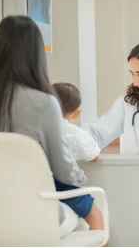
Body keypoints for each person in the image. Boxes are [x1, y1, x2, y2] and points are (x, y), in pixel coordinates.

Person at [0, 15, 87, 223]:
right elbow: (63, 170)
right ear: (36, 55)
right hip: (33, 214)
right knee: (94, 213)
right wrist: (83, 180)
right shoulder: (44, 102)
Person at [52, 82, 105, 233]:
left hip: (40, 184)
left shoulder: (37, 129)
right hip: (64, 185)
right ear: (76, 114)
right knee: (96, 216)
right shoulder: (74, 133)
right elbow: (93, 156)